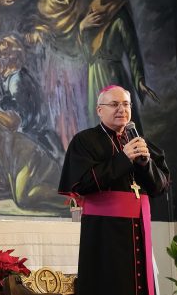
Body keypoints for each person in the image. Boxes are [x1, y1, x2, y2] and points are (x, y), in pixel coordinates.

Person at [58, 85, 169, 295]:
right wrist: (123, 159)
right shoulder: (85, 141)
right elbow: (81, 183)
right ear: (100, 110)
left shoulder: (142, 144)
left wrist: (146, 165)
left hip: (139, 228)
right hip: (105, 232)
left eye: (126, 104)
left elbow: (160, 187)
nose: (121, 109)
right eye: (114, 104)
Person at [0, 35, 65, 212]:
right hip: (13, 146)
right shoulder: (2, 76)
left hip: (31, 147)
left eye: (3, 44)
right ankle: (2, 179)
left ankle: (70, 200)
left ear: (13, 56)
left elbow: (13, 123)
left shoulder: (18, 80)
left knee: (24, 199)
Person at [80, 0, 159, 130]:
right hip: (94, 75)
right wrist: (82, 27)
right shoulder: (91, 8)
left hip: (112, 75)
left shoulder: (119, 8)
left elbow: (132, 50)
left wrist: (139, 80)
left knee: (120, 125)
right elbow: (86, 55)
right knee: (98, 129)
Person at [27, 0, 88, 147]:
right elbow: (36, 25)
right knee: (58, 108)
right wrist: (38, 32)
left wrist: (82, 27)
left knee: (78, 108)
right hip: (54, 62)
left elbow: (87, 33)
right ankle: (63, 149)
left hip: (76, 61)